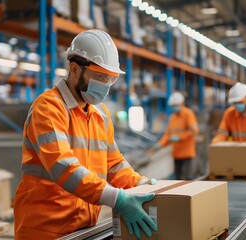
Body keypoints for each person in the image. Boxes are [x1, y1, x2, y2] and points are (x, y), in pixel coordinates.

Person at [14, 30, 158, 239]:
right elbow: (63, 166)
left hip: (83, 228)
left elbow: (114, 164)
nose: (106, 85)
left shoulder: (101, 114)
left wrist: (137, 183)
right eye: (100, 76)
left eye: (111, 78)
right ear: (74, 69)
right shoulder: (48, 107)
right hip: (45, 230)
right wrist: (116, 198)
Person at [149, 92, 199, 180]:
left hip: (187, 152)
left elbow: (194, 131)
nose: (174, 107)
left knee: (188, 178)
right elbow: (168, 134)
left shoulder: (188, 114)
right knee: (178, 179)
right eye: (172, 106)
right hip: (176, 153)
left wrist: (180, 137)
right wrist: (160, 144)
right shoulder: (172, 117)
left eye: (175, 105)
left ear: (181, 103)